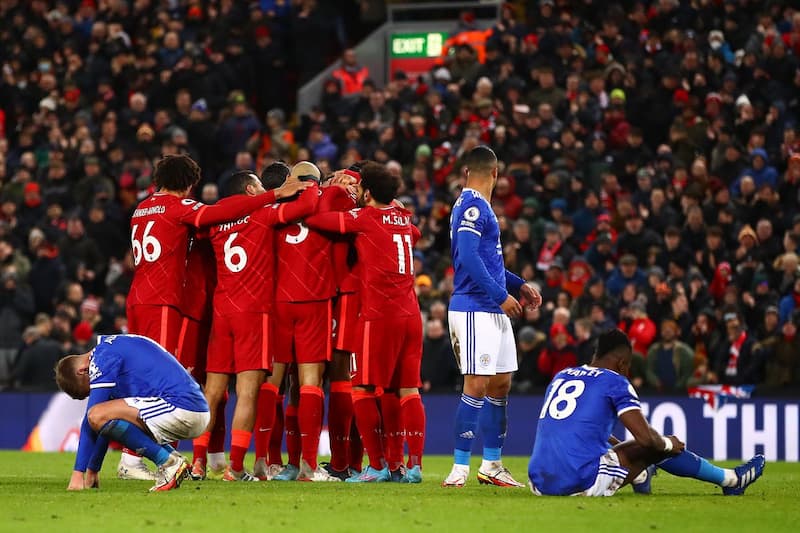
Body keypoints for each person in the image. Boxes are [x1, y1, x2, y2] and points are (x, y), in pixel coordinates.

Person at [122, 154, 310, 480]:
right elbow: (216, 212)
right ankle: (139, 458)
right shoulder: (180, 208)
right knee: (162, 382)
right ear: (188, 184)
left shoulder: (142, 208)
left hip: (138, 298)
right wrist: (272, 195)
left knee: (147, 380)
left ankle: (182, 457)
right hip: (166, 302)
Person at [528, 328, 765, 497]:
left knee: (628, 447)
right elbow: (646, 439)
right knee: (654, 446)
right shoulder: (615, 382)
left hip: (538, 481)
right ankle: (731, 480)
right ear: (622, 362)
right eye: (628, 365)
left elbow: (574, 426)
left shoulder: (562, 375)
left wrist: (619, 444)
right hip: (578, 481)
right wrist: (669, 444)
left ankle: (641, 476)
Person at [305, 161, 426, 483]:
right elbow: (415, 233)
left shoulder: (365, 218)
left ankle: (377, 466)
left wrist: (333, 189)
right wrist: (395, 206)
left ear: (367, 193)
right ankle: (409, 466)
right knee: (406, 389)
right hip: (412, 314)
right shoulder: (403, 218)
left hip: (378, 316)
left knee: (362, 387)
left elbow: (318, 219)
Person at [200, 169, 320, 482]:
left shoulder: (214, 224)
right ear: (251, 189)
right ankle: (236, 468)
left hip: (222, 311)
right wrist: (304, 183)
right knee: (248, 392)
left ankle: (198, 462)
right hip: (253, 312)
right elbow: (307, 206)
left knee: (212, 392)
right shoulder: (263, 215)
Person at [443, 146, 542, 488]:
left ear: (467, 171)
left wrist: (519, 284)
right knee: (477, 384)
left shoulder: (480, 207)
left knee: (500, 384)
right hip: (474, 307)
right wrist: (502, 296)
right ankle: (458, 468)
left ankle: (492, 465)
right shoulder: (471, 205)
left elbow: (490, 260)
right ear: (496, 174)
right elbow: (468, 258)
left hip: (491, 307)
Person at [269, 161, 351, 483]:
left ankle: (268, 463)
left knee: (277, 385)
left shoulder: (276, 207)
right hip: (315, 301)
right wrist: (341, 187)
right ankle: (307, 466)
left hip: (279, 301)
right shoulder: (327, 202)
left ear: (294, 181)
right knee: (310, 382)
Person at [55, 334, 210, 493]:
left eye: (89, 389)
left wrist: (77, 473)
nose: (93, 390)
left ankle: (168, 463)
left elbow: (93, 418)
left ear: (82, 371)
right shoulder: (117, 345)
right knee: (106, 415)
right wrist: (93, 470)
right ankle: (173, 458)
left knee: (95, 414)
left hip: (181, 406)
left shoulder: (102, 356)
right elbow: (104, 424)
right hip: (194, 409)